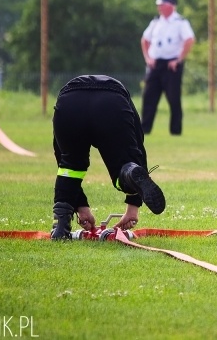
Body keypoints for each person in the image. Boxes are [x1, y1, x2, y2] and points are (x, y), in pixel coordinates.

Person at [50, 74, 166, 240]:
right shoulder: (122, 95)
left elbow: (59, 154)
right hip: (112, 101)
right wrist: (133, 205)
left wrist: (80, 205)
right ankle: (129, 175)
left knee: (69, 167)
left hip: (70, 101)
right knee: (127, 165)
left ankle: (61, 227)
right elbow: (138, 147)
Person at [140, 0, 195, 136]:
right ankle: (144, 129)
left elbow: (189, 40)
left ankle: (175, 131)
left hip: (172, 65)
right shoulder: (156, 22)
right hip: (155, 64)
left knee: (173, 98)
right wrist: (148, 58)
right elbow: (145, 40)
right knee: (149, 97)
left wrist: (178, 59)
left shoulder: (180, 22)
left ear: (171, 6)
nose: (159, 8)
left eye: (162, 5)